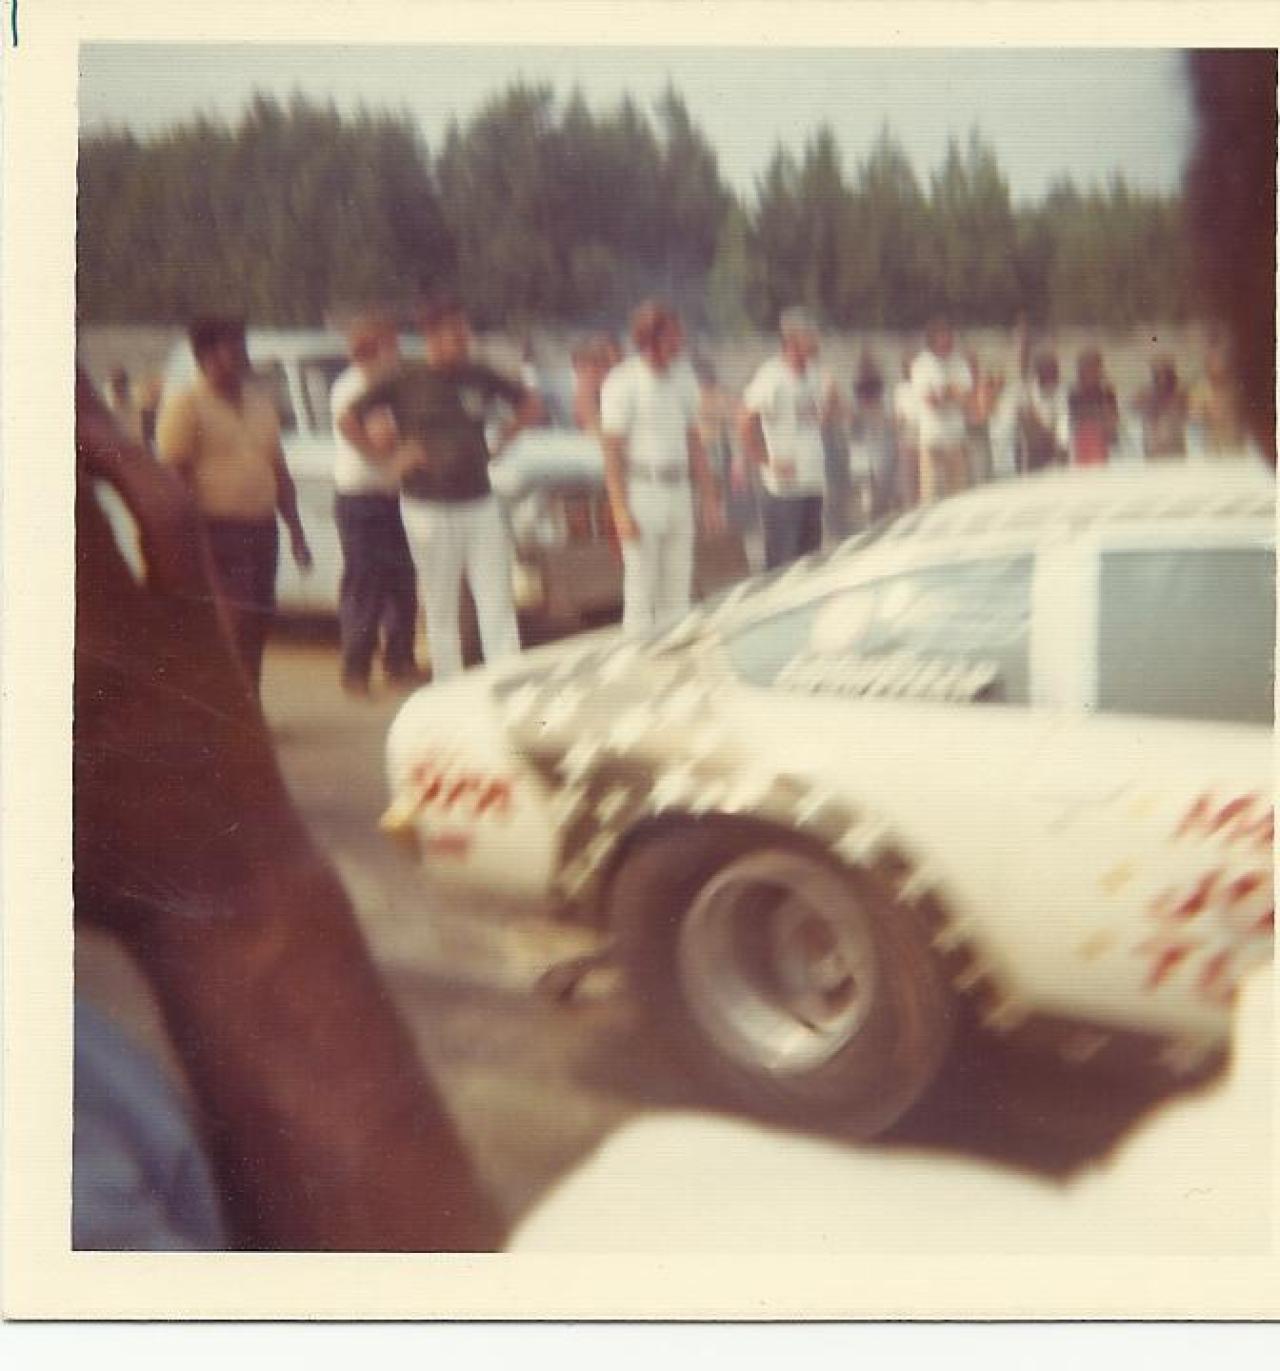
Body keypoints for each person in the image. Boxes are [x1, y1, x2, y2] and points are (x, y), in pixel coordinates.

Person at [74, 372, 504, 1250]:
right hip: (230, 528)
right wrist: (232, 882)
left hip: (254, 528)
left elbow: (266, 465)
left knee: (251, 630)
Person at [343, 293, 537, 682]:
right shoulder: (403, 378)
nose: (464, 343)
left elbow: (529, 403)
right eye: (456, 337)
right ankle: (448, 684)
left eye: (466, 335)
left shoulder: (479, 374)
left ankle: (507, 680)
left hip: (479, 503)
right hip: (428, 507)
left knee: (496, 599)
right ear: (431, 336)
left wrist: (504, 438)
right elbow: (348, 418)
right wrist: (388, 460)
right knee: (441, 604)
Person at [154, 318, 312, 694]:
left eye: (243, 347)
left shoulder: (260, 404)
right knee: (234, 621)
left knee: (259, 619)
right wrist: (189, 541)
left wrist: (296, 531)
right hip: (216, 531)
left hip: (262, 530)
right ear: (206, 356)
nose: (242, 357)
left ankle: (248, 703)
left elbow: (278, 469)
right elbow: (175, 477)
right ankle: (227, 706)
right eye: (233, 349)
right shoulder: (185, 406)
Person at [600, 299, 723, 635]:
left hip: (679, 490)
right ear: (650, 338)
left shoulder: (683, 378)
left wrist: (709, 498)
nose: (679, 341)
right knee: (641, 589)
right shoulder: (622, 381)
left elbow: (694, 442)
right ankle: (637, 658)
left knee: (678, 588)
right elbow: (611, 451)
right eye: (672, 335)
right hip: (643, 491)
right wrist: (620, 510)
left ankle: (674, 655)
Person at [329, 312, 422, 698]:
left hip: (396, 497)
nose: (396, 352)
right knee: (365, 586)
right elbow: (381, 437)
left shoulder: (392, 386)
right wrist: (403, 450)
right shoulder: (355, 387)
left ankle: (399, 663)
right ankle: (356, 669)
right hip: (361, 498)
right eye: (389, 345)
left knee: (402, 584)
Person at [740, 306, 839, 568]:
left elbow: (821, 417)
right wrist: (766, 460)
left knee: (810, 562)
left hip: (812, 481)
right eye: (811, 335)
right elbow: (745, 420)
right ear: (793, 339)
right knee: (784, 564)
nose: (816, 340)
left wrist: (833, 397)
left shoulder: (814, 373)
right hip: (784, 489)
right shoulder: (772, 376)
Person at [909, 317, 975, 504]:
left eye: (950, 336)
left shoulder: (959, 362)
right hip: (932, 439)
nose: (950, 340)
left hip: (956, 437)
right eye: (944, 336)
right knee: (930, 496)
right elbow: (929, 401)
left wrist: (945, 393)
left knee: (959, 495)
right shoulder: (921, 364)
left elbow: (967, 396)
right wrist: (951, 392)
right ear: (933, 339)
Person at [846, 354, 898, 525]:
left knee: (883, 492)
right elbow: (851, 426)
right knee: (867, 492)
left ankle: (880, 520)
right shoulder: (854, 402)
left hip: (881, 450)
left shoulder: (885, 399)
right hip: (863, 452)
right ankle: (870, 522)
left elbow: (892, 423)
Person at [1187, 341, 1252, 457]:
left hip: (1235, 442)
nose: (1217, 367)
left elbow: (1244, 414)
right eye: (1212, 362)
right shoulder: (1200, 388)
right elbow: (1194, 417)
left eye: (1221, 362)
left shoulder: (1236, 387)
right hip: (1211, 444)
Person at [1065, 348, 1120, 466]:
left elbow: (1114, 417)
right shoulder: (1074, 393)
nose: (1092, 372)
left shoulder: (1106, 391)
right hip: (1082, 441)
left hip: (1102, 443)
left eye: (1095, 368)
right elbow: (1072, 419)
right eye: (1087, 368)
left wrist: (1110, 428)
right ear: (1080, 371)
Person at [1017, 352, 1070, 472]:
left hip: (1057, 450)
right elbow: (1028, 425)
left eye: (1055, 371)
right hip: (1033, 452)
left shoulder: (1062, 390)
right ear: (1038, 373)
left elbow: (1063, 419)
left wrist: (1060, 445)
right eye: (1049, 371)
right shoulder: (1026, 393)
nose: (1054, 374)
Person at [1133, 356, 1189, 459]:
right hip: (1153, 450)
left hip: (1175, 450)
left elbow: (1188, 417)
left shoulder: (1180, 395)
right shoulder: (1145, 395)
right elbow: (1134, 409)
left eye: (1166, 374)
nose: (1162, 379)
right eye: (1157, 374)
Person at [892, 352, 921, 508]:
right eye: (909, 366)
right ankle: (910, 506)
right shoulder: (901, 389)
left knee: (923, 476)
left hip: (924, 434)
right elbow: (899, 415)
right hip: (907, 435)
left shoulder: (924, 385)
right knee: (909, 476)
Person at [105, 365, 144, 445]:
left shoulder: (134, 399)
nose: (119, 389)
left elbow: (136, 434)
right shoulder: (106, 402)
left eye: (121, 385)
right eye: (115, 386)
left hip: (131, 441)